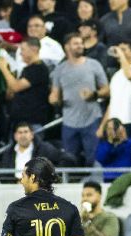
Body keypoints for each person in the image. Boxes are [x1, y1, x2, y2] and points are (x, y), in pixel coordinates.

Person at [50, 33, 109, 166]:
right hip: (69, 122)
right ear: (67, 47)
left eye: (81, 43)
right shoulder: (60, 69)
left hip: (92, 119)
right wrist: (54, 100)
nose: (80, 46)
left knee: (93, 159)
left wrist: (94, 94)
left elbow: (106, 90)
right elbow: (55, 95)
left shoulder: (94, 65)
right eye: (76, 43)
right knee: (69, 160)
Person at [0, 37, 51, 130]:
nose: (20, 53)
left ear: (34, 49)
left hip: (32, 121)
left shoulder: (39, 69)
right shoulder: (27, 69)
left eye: (23, 49)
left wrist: (4, 69)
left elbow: (16, 87)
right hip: (20, 120)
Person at [98, 42, 131, 139]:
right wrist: (102, 126)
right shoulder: (116, 76)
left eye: (124, 49)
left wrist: (121, 54)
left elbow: (130, 75)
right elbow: (112, 102)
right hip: (114, 123)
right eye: (119, 50)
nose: (120, 52)